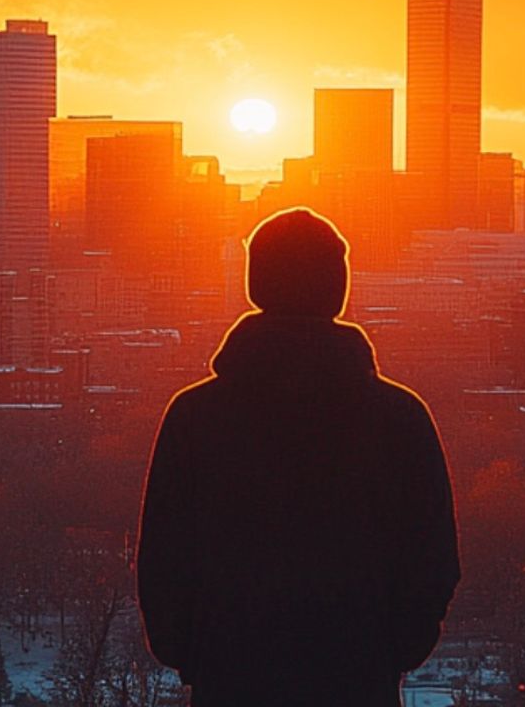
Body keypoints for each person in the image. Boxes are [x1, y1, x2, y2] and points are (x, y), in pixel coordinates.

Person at [136, 207, 461, 706]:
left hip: (230, 680)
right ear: (339, 288)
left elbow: (163, 562)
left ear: (256, 283)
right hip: (357, 680)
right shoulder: (398, 417)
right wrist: (390, 651)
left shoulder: (195, 416)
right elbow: (431, 559)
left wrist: (195, 655)